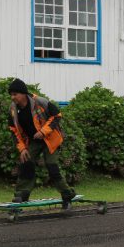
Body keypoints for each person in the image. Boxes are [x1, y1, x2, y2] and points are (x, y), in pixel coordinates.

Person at [7, 78, 76, 207]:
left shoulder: (40, 102)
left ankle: (67, 193)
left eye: (15, 94)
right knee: (26, 162)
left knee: (51, 165)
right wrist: (22, 149)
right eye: (11, 94)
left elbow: (57, 116)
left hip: (51, 139)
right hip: (34, 141)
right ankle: (21, 194)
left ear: (23, 94)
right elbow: (13, 130)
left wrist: (43, 132)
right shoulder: (12, 109)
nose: (12, 97)